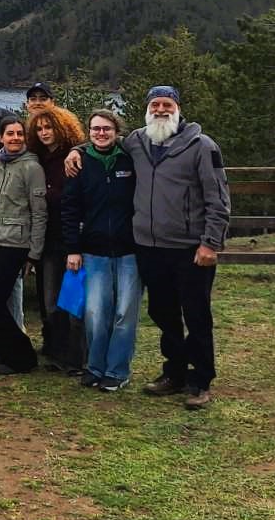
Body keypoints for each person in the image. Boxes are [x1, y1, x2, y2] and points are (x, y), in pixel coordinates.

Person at [64, 86, 229, 409]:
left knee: (196, 315)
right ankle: (174, 373)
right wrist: (77, 150)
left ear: (178, 108)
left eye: (167, 104)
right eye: (155, 104)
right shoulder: (137, 142)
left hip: (190, 248)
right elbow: (103, 141)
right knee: (163, 314)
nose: (161, 110)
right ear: (147, 109)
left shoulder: (201, 145)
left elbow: (218, 198)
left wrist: (211, 242)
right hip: (149, 248)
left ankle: (201, 381)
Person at [62, 110, 140, 391]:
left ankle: (117, 371)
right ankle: (95, 367)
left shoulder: (130, 159)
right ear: (89, 132)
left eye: (106, 128)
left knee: (124, 314)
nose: (101, 133)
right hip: (93, 251)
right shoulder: (80, 163)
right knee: (95, 313)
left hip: (130, 251)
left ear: (116, 131)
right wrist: (73, 248)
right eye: (95, 129)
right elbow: (70, 209)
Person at [0, 116, 45, 374]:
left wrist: (34, 252)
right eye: (10, 134)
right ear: (0, 138)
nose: (15, 138)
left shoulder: (31, 167)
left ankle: (22, 357)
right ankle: (4, 352)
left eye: (19, 134)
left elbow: (39, 212)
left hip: (15, 243)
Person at [31, 106, 87, 374]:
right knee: (51, 302)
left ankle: (76, 359)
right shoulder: (39, 159)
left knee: (74, 302)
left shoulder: (74, 157)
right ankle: (56, 351)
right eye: (39, 129)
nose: (44, 133)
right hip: (48, 239)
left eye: (49, 127)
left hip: (72, 238)